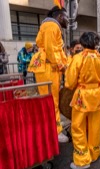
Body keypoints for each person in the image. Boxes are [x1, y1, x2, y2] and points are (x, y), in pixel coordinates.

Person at [65, 32, 100, 169]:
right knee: (95, 125)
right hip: (97, 94)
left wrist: (72, 86)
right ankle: (94, 153)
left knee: (78, 126)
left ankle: (82, 158)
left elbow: (70, 81)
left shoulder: (78, 58)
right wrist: (98, 87)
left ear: (83, 42)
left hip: (82, 94)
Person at [27, 6, 69, 143]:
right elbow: (52, 51)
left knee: (51, 100)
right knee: (52, 101)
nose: (68, 21)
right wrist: (63, 67)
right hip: (49, 68)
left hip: (48, 67)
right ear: (60, 16)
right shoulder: (52, 26)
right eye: (66, 17)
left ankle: (53, 126)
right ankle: (55, 132)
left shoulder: (49, 25)